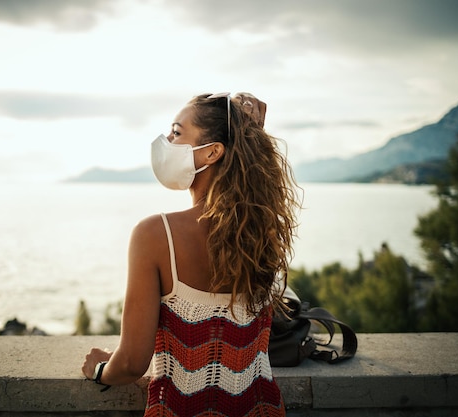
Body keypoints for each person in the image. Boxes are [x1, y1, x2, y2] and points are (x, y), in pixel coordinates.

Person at [82, 92, 300, 416]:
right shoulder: (261, 234)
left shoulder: (155, 236)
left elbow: (130, 364)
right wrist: (246, 134)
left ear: (212, 152)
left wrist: (100, 369)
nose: (167, 141)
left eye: (176, 132)